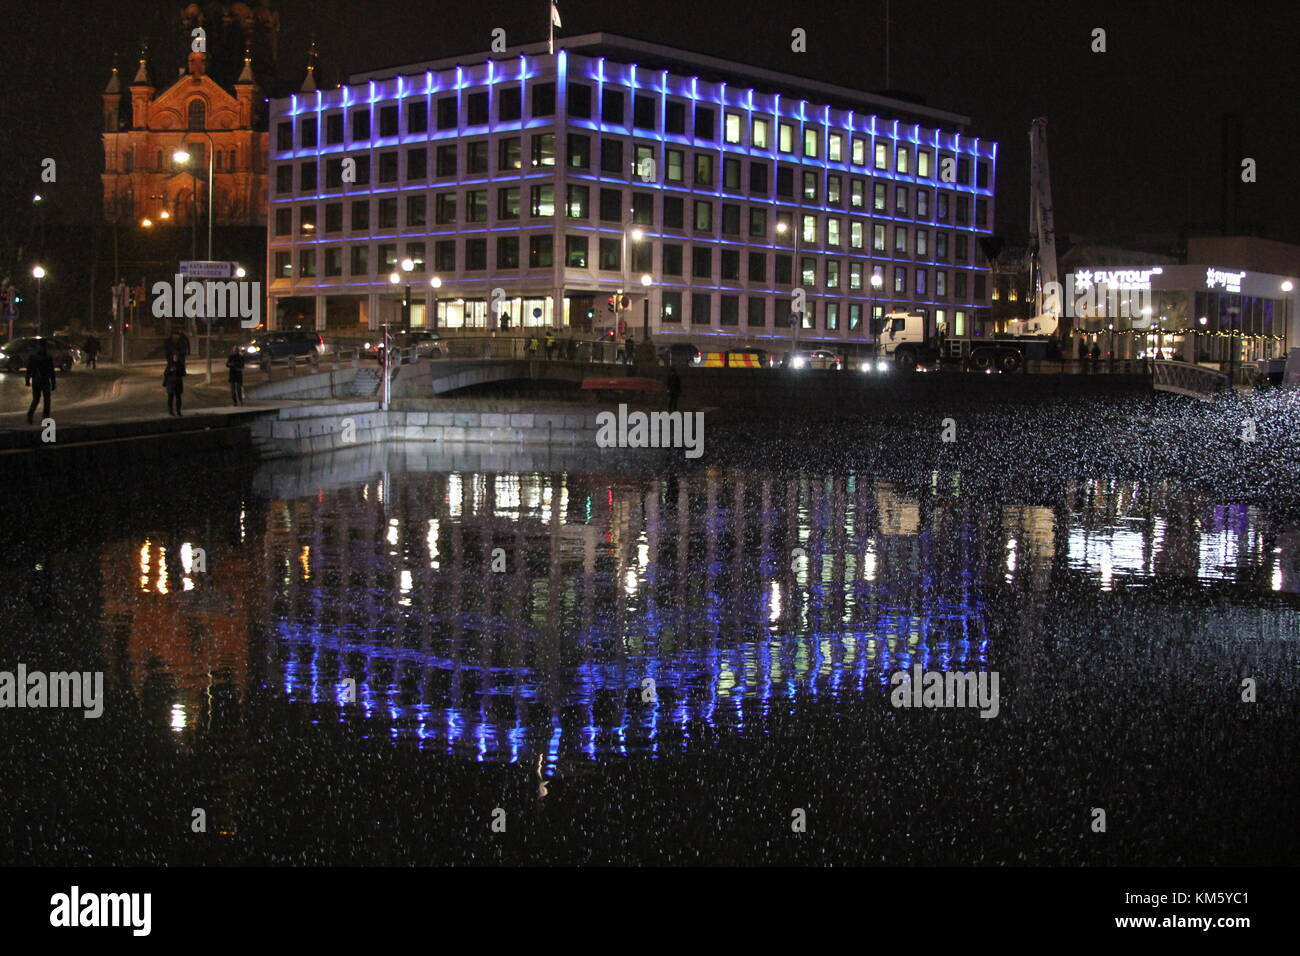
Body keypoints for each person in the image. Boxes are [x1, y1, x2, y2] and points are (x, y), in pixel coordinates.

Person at [25, 339, 56, 425]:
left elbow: (29, 369)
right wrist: (53, 382)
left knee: (39, 399)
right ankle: (43, 418)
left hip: (39, 380)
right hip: (42, 381)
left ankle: (32, 416)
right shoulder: (47, 357)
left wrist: (27, 380)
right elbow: (51, 371)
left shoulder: (34, 357)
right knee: (43, 400)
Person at [163, 351, 186, 416]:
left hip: (178, 383)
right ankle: (171, 411)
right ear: (172, 357)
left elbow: (184, 373)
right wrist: (170, 370)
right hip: (170, 383)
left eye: (176, 357)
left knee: (178, 398)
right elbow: (165, 373)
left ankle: (178, 411)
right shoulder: (170, 364)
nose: (175, 358)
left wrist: (179, 372)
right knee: (170, 397)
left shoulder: (180, 365)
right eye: (174, 357)